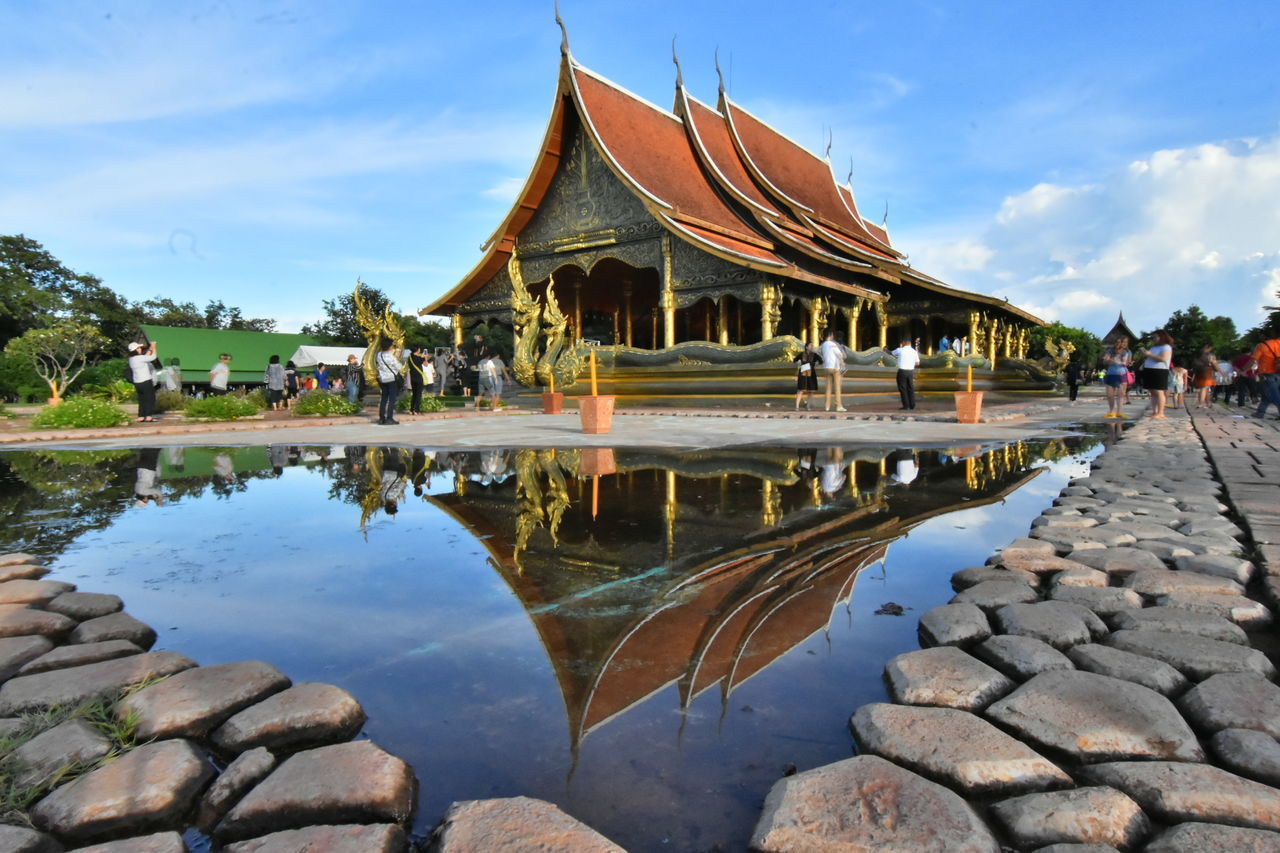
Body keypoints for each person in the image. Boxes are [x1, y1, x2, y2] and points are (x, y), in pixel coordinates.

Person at [1141, 330, 1174, 419]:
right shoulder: (1154, 347)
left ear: (1161, 337)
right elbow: (1150, 356)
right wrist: (1145, 354)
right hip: (1150, 369)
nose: (1154, 339)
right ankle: (1155, 411)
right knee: (1152, 392)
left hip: (1160, 370)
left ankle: (1161, 412)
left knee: (1159, 392)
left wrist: (1149, 354)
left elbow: (1164, 358)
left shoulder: (1166, 347)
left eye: (1155, 337)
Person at [128, 341, 159, 423]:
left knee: (142, 399)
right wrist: (154, 347)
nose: (140, 349)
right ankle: (148, 416)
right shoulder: (139, 358)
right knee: (150, 399)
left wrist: (150, 349)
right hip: (146, 381)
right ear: (135, 350)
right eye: (138, 348)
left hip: (138, 383)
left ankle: (141, 416)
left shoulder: (131, 359)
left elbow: (145, 357)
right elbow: (153, 357)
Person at [1101, 336, 1132, 418]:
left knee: (1121, 394)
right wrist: (1108, 360)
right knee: (1109, 395)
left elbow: (1127, 363)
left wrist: (1124, 362)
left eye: (1120, 342)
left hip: (1122, 374)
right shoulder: (1110, 351)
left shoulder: (1126, 352)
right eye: (1117, 342)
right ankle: (1111, 411)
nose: (1118, 344)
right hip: (1111, 374)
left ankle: (1120, 412)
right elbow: (1105, 361)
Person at [1251, 334, 1280, 419]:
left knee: (1274, 395)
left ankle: (1260, 413)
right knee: (1267, 394)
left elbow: (1254, 359)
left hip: (1267, 373)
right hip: (1278, 373)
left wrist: (1245, 370)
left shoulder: (1263, 345)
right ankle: (1260, 412)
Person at [375, 341, 403, 425]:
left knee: (384, 398)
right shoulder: (391, 357)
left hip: (382, 379)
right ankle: (389, 418)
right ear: (390, 347)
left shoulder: (379, 355)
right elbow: (399, 367)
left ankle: (381, 418)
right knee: (391, 399)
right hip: (391, 379)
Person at [820, 330, 847, 412]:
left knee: (828, 388)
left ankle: (827, 406)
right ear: (830, 335)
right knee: (837, 388)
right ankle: (838, 405)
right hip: (835, 368)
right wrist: (841, 350)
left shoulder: (823, 345)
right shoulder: (832, 344)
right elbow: (841, 355)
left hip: (826, 367)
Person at [891, 337, 919, 410]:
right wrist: (910, 363)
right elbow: (917, 363)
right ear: (910, 343)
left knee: (903, 388)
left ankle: (906, 405)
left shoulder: (900, 350)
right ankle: (912, 405)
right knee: (910, 388)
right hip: (910, 371)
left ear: (903, 343)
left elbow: (891, 353)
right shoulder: (914, 351)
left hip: (902, 371)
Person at [794, 341, 820, 410]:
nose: (812, 347)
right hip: (803, 371)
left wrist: (815, 364)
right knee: (800, 390)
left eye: (812, 346)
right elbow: (795, 360)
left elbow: (821, 361)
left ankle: (808, 406)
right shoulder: (801, 354)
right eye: (811, 346)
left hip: (811, 373)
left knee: (810, 390)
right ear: (806, 347)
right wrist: (799, 363)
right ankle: (797, 406)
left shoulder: (814, 355)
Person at [1193, 343, 1216, 410]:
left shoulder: (1198, 356)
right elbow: (1214, 365)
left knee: (1205, 389)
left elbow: (1195, 365)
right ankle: (1201, 403)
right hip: (1207, 374)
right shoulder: (1210, 355)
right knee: (1204, 389)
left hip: (1200, 373)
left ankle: (1207, 402)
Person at [407, 346, 430, 414]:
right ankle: (417, 410)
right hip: (419, 378)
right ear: (417, 350)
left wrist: (422, 357)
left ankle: (412, 409)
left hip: (412, 378)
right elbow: (426, 364)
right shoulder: (419, 358)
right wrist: (425, 357)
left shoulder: (410, 358)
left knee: (414, 394)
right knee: (418, 394)